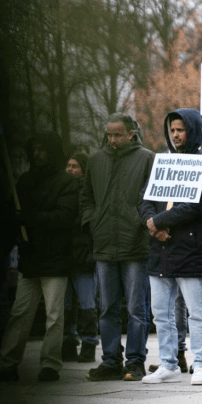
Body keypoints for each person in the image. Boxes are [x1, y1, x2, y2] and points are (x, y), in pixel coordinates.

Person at [138, 108, 202, 385]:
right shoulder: (163, 161)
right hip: (160, 249)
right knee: (161, 312)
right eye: (172, 130)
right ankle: (168, 363)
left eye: (181, 129)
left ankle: (201, 363)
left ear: (192, 130)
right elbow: (145, 197)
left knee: (197, 311)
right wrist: (151, 222)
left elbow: (199, 204)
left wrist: (159, 221)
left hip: (190, 247)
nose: (175, 135)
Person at [0, 131, 79, 382]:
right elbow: (13, 215)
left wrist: (29, 219)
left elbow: (65, 218)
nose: (38, 155)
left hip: (55, 257)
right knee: (20, 312)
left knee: (54, 315)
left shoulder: (66, 181)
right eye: (35, 150)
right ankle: (7, 362)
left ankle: (50, 364)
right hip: (31, 257)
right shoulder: (25, 180)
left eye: (43, 150)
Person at [81, 114, 155, 382]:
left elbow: (152, 198)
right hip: (104, 244)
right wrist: (92, 222)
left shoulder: (147, 158)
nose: (112, 139)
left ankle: (135, 361)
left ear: (131, 133)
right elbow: (86, 197)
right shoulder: (96, 160)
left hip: (135, 244)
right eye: (109, 134)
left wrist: (140, 223)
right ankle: (110, 360)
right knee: (107, 307)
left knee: (137, 307)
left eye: (117, 134)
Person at [61, 153, 99, 363]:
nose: (70, 169)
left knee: (86, 304)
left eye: (75, 166)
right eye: (68, 165)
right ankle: (68, 342)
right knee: (67, 305)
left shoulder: (89, 192)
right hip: (68, 254)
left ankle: (88, 344)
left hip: (84, 255)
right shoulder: (63, 190)